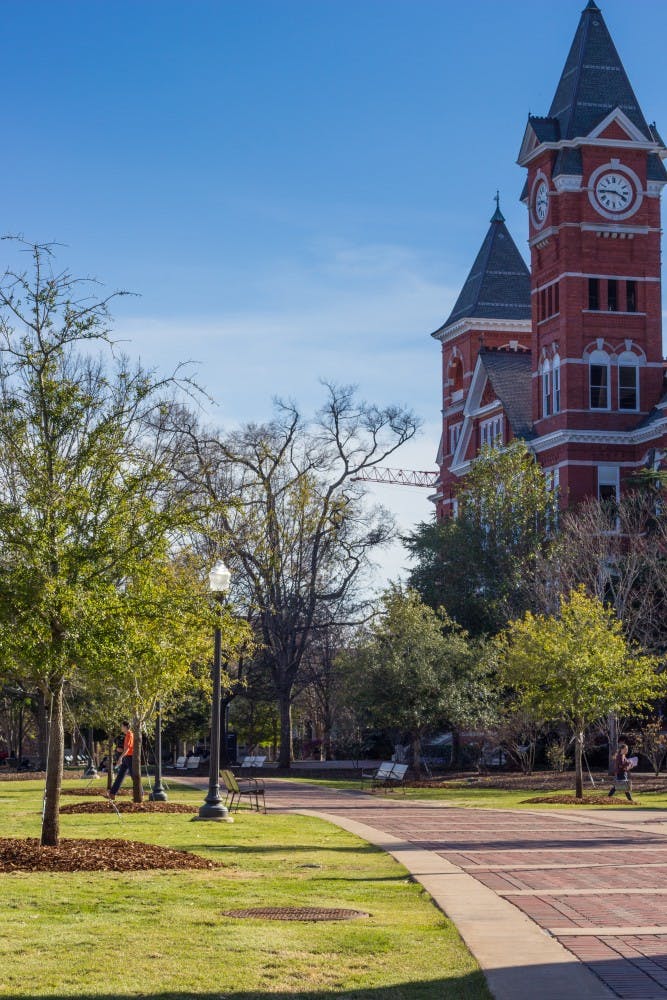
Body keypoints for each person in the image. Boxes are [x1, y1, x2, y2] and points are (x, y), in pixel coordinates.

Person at [107, 722, 134, 800]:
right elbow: (127, 748)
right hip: (127, 757)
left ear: (126, 727)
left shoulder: (129, 734)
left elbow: (128, 748)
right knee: (120, 775)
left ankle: (140, 793)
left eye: (122, 726)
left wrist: (121, 757)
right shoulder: (127, 734)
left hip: (130, 758)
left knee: (134, 776)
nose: (121, 727)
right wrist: (121, 751)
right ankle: (112, 793)